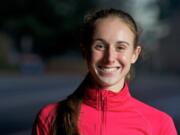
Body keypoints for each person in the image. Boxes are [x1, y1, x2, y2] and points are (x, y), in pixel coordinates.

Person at [32, 8, 177, 135]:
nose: (110, 58)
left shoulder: (160, 125)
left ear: (135, 54)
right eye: (100, 46)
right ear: (85, 51)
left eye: (120, 47)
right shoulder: (49, 118)